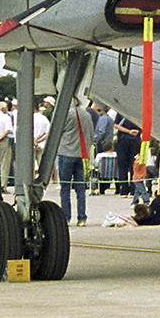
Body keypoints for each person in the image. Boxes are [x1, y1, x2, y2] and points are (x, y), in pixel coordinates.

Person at [54, 97, 92, 226]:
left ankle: (66, 217)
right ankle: (82, 217)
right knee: (80, 188)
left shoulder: (66, 114)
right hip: (82, 154)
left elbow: (57, 131)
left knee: (65, 188)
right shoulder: (86, 115)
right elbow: (91, 134)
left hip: (66, 152)